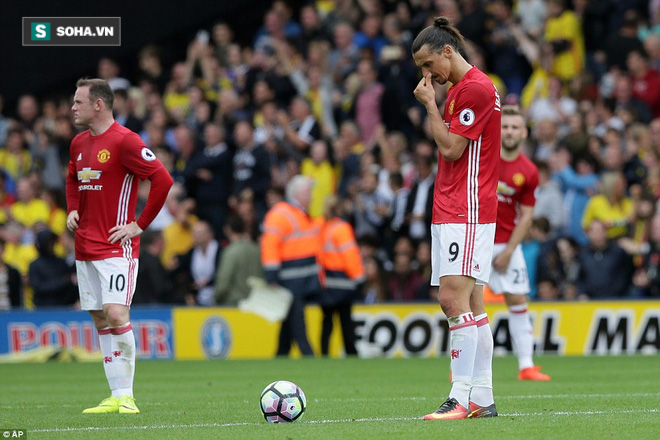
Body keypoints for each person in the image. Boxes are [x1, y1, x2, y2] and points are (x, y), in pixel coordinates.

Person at [66, 78, 173, 414]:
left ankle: (127, 395)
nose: (73, 107)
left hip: (115, 247)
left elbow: (162, 179)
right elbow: (73, 176)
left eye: (79, 102)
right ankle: (115, 394)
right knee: (100, 318)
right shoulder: (78, 143)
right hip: (84, 245)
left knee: (116, 312)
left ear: (98, 104)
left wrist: (138, 225)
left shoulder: (126, 141)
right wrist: (72, 208)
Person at [412, 17, 501, 420]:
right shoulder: (462, 91)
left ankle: (460, 397)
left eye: (429, 65)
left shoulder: (476, 90)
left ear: (447, 51)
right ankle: (481, 397)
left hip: (466, 207)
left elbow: (450, 150)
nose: (428, 76)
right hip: (456, 205)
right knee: (472, 302)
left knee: (450, 297)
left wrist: (430, 105)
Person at [489, 105, 550, 381]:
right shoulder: (483, 158)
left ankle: (526, 365)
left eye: (515, 127)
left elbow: (527, 216)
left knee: (517, 300)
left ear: (524, 133)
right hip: (476, 240)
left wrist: (510, 250)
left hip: (506, 244)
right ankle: (460, 370)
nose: (509, 131)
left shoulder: (529, 171)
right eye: (505, 126)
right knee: (465, 303)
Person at [261, 175, 322, 357]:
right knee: (297, 317)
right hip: (290, 277)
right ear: (297, 194)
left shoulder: (300, 214)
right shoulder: (281, 214)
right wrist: (271, 276)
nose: (311, 196)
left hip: (301, 276)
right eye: (308, 192)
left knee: (289, 319)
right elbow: (270, 246)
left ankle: (281, 353)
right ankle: (307, 353)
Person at [318, 195, 365, 357]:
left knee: (326, 323)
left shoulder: (323, 228)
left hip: (326, 283)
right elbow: (350, 255)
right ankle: (351, 353)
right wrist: (359, 278)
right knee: (346, 321)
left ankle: (323, 354)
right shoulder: (342, 228)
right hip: (343, 282)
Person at [214, 215, 264, 305]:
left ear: (227, 229)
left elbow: (224, 281)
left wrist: (216, 298)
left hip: (234, 304)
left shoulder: (230, 252)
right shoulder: (257, 249)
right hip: (256, 303)